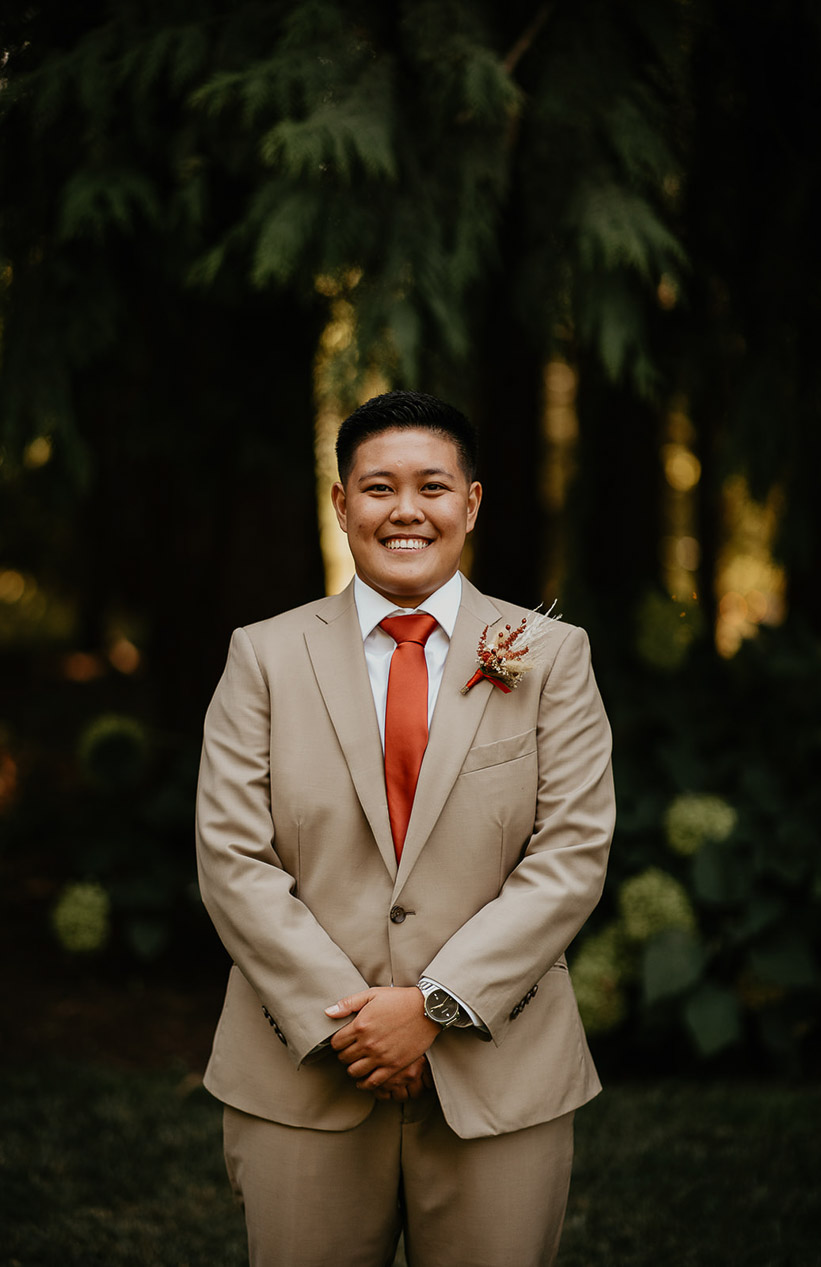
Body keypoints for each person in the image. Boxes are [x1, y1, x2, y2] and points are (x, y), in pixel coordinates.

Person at [195, 389, 615, 1267]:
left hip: (499, 1074)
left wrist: (432, 1007)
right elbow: (233, 858)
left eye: (431, 485)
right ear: (341, 504)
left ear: (469, 501)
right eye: (377, 487)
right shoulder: (262, 655)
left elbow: (570, 854)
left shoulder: (548, 657)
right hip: (303, 1070)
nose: (405, 510)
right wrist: (357, 1027)